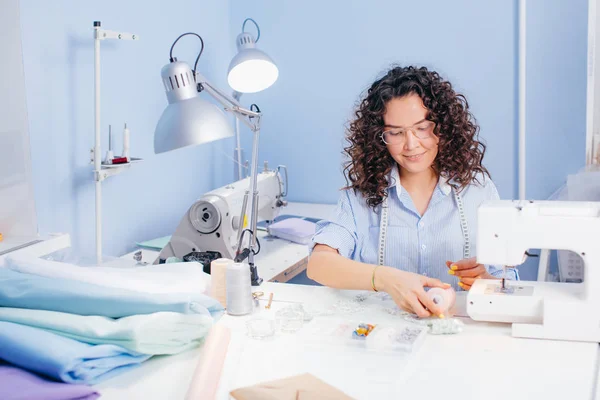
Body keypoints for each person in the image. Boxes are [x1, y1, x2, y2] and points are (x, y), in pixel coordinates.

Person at [307, 66, 518, 318]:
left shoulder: (478, 190)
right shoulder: (360, 198)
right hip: (383, 336)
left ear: (443, 126)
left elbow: (507, 277)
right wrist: (386, 279)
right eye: (395, 132)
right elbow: (318, 264)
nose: (411, 144)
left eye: (422, 128)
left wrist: (485, 281)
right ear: (379, 136)